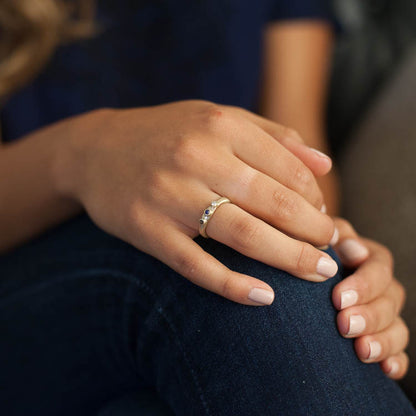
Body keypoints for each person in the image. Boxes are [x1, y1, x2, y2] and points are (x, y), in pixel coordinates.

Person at [0, 1, 413, 415]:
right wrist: (84, 154)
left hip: (184, 337)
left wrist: (334, 253)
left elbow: (301, 151)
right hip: (29, 277)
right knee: (249, 281)